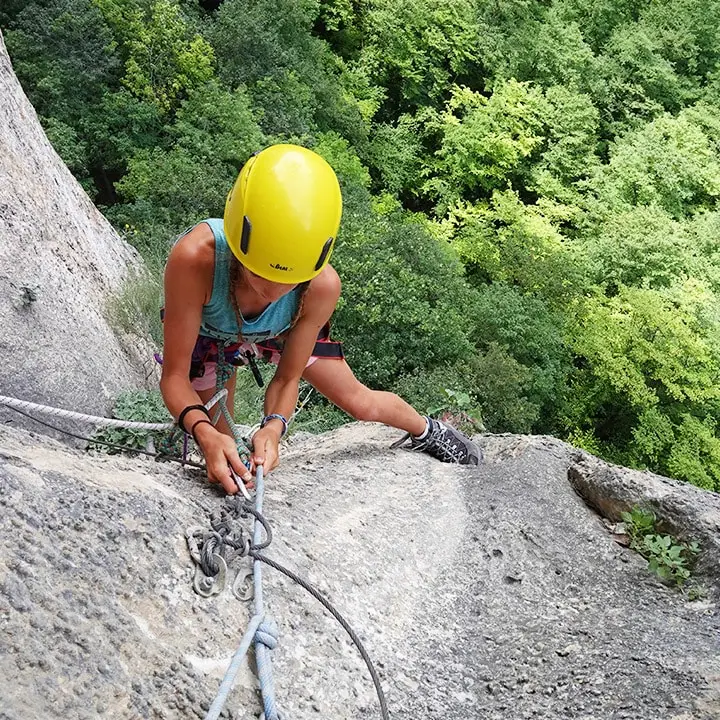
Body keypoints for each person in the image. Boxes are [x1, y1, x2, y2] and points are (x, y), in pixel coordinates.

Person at [160, 144, 481, 494]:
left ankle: (428, 430)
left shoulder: (320, 286)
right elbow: (174, 376)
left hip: (281, 329)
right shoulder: (195, 260)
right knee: (223, 446)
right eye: (261, 272)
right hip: (209, 334)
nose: (275, 289)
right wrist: (204, 433)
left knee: (360, 402)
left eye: (290, 278)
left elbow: (287, 379)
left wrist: (273, 427)